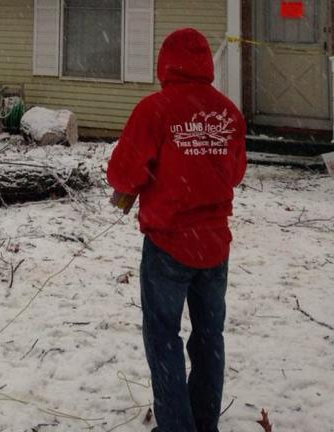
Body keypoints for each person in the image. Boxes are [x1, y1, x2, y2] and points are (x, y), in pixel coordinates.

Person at [107, 28, 246, 432]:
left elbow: (124, 172)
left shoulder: (156, 109)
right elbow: (234, 173)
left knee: (164, 338)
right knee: (208, 338)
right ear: (205, 63)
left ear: (165, 63)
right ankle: (203, 422)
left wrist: (139, 184)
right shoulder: (227, 112)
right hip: (215, 244)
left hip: (168, 243)